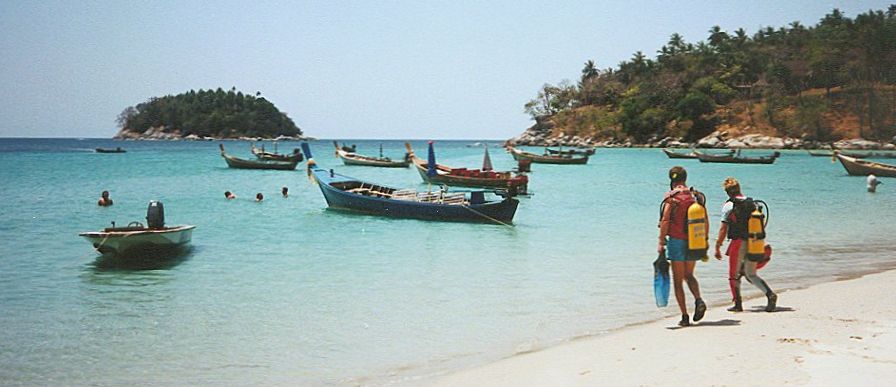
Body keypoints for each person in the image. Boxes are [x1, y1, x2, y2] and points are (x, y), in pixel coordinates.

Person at [714, 177, 777, 312]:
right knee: (750, 274)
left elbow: (723, 228)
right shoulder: (752, 203)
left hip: (738, 243)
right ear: (739, 189)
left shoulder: (729, 205)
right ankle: (770, 295)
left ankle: (738, 304)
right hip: (754, 241)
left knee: (733, 275)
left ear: (727, 192)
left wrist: (718, 245)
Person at [658, 166, 706, 326]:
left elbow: (665, 220)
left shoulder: (672, 197)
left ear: (671, 180)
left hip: (676, 241)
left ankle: (685, 316)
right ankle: (699, 300)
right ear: (685, 178)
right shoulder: (694, 196)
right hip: (694, 240)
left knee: (678, 280)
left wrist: (661, 241)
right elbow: (705, 219)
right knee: (689, 275)